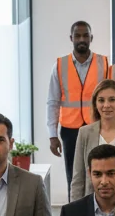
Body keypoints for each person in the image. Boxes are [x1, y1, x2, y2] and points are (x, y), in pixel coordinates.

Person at [47, 20, 110, 192]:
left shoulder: (104, 64)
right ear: (71, 38)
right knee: (74, 176)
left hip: (97, 127)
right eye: (77, 35)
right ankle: (75, 208)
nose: (81, 39)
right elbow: (53, 101)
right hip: (70, 130)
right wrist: (52, 135)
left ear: (91, 38)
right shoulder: (60, 65)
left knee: (99, 173)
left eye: (85, 35)